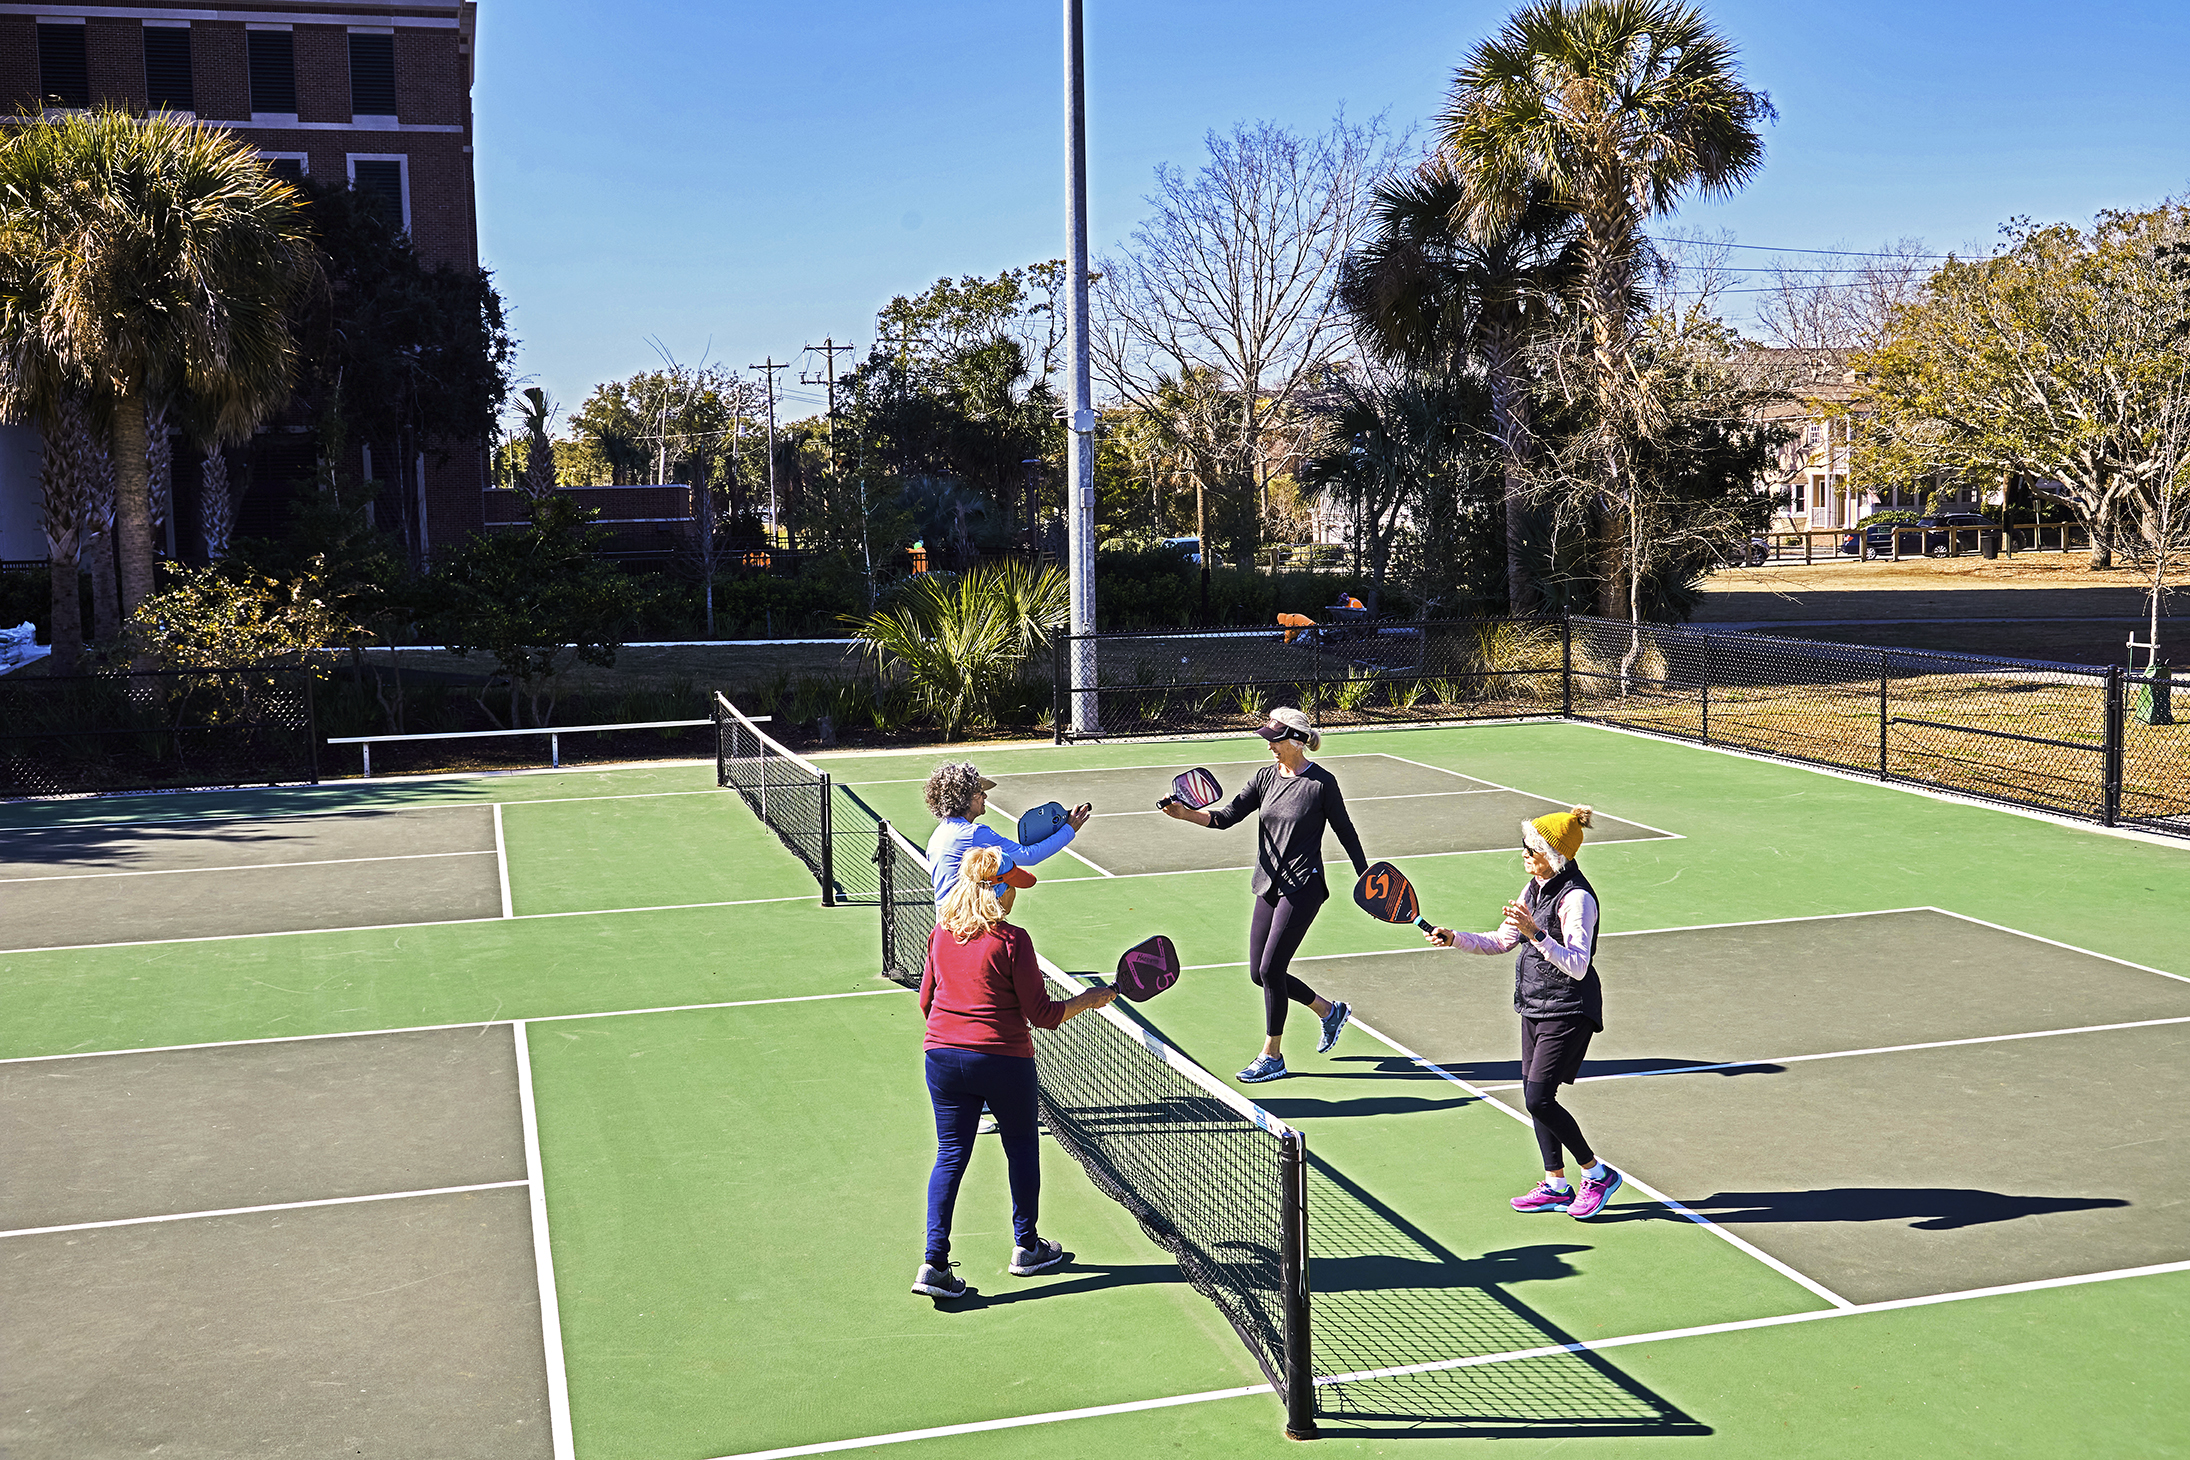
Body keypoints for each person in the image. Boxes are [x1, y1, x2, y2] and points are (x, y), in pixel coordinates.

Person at [912, 845, 1116, 1300]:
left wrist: (956, 1036)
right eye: (1012, 887)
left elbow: (926, 1002)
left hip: (941, 1058)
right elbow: (1042, 1015)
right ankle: (1027, 1247)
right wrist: (1089, 999)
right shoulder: (1012, 940)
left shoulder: (940, 934)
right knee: (1021, 1147)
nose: (1015, 896)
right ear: (998, 890)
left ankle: (933, 1264)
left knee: (950, 1155)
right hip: (1003, 1060)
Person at [1423, 806, 1622, 1220]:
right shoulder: (1534, 887)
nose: (1525, 855)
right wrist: (1454, 937)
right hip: (1534, 1003)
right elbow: (1501, 941)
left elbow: (1578, 965)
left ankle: (1597, 1173)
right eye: (1525, 847)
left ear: (1555, 857)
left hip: (1569, 1008)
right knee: (1536, 1097)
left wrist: (1536, 933)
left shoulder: (1577, 899)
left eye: (1532, 849)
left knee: (1538, 1098)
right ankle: (1555, 1185)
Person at [1160, 705, 1365, 1083]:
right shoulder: (1265, 778)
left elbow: (1346, 831)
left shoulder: (1321, 784)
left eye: (1275, 740)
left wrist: (1365, 876)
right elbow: (1225, 817)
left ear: (1296, 741)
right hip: (1267, 883)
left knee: (1272, 969)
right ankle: (1329, 1011)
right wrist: (1185, 814)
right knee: (1260, 973)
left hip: (1303, 886)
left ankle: (1272, 1056)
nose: (1269, 746)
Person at [924, 761, 1090, 907]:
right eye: (980, 792)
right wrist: (1069, 829)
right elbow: (1030, 856)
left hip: (943, 926)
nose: (985, 796)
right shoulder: (973, 834)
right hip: (965, 926)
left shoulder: (937, 835)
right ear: (966, 798)